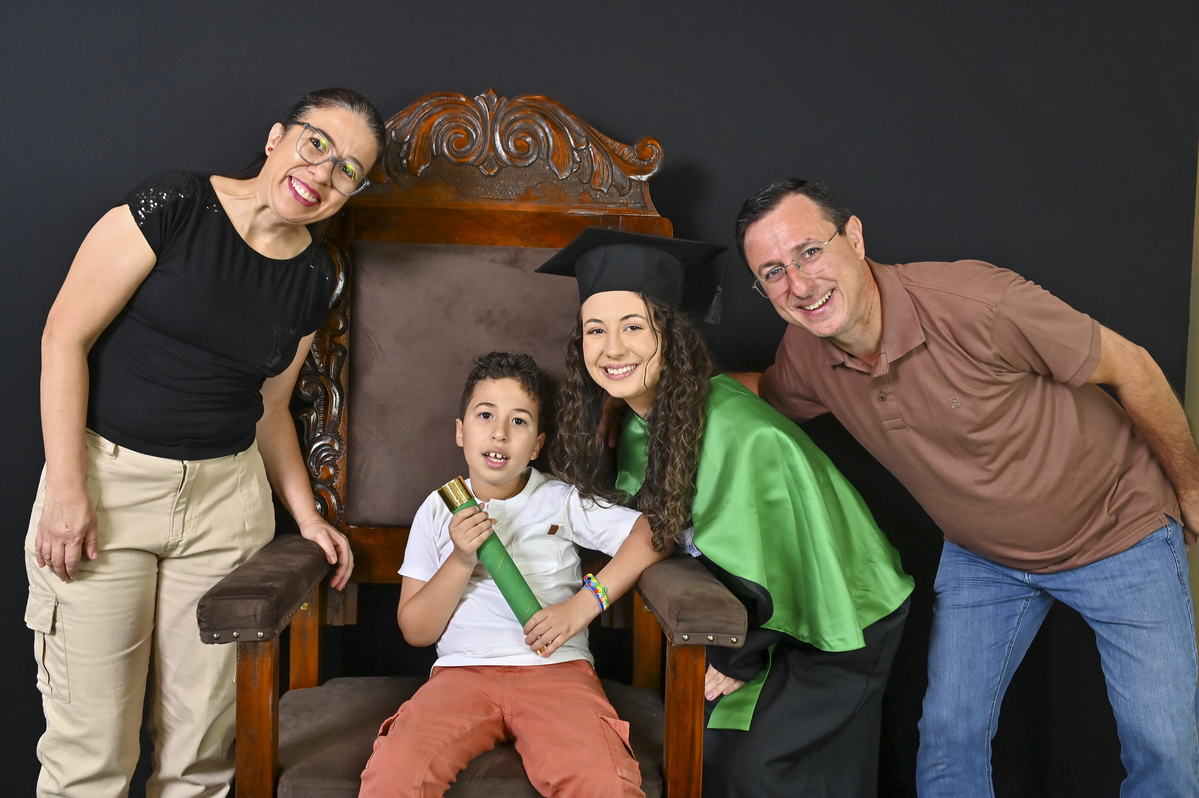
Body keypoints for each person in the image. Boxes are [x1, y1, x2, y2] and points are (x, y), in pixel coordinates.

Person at [733, 178, 1199, 797]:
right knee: (949, 739)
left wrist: (1193, 492)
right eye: (772, 272)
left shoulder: (979, 301)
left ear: (855, 237)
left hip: (1120, 530)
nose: (798, 284)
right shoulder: (807, 352)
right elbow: (762, 393)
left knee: (1164, 749)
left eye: (809, 252)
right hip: (987, 559)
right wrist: (649, 389)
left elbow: (1132, 366)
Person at [26, 88, 385, 798]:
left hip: (226, 508)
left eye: (348, 169)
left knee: (202, 765)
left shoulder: (315, 276)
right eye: (316, 143)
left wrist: (307, 517)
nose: (322, 172)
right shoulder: (176, 205)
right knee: (89, 760)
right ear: (278, 136)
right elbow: (63, 336)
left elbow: (271, 408)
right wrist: (67, 490)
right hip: (107, 489)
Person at [540, 228, 914, 798]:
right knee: (712, 755)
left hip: (839, 616)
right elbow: (658, 527)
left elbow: (778, 561)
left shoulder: (736, 432)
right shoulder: (642, 420)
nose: (612, 349)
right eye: (596, 330)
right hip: (757, 616)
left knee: (762, 774)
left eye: (634, 327)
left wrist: (736, 659)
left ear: (671, 336)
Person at [358, 351, 665, 798]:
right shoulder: (437, 509)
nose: (499, 432)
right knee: (394, 773)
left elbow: (654, 534)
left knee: (604, 781)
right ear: (461, 432)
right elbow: (417, 630)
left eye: (518, 421)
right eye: (485, 415)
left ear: (537, 446)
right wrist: (461, 560)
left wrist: (583, 605)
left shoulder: (560, 500)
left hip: (556, 672)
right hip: (461, 675)